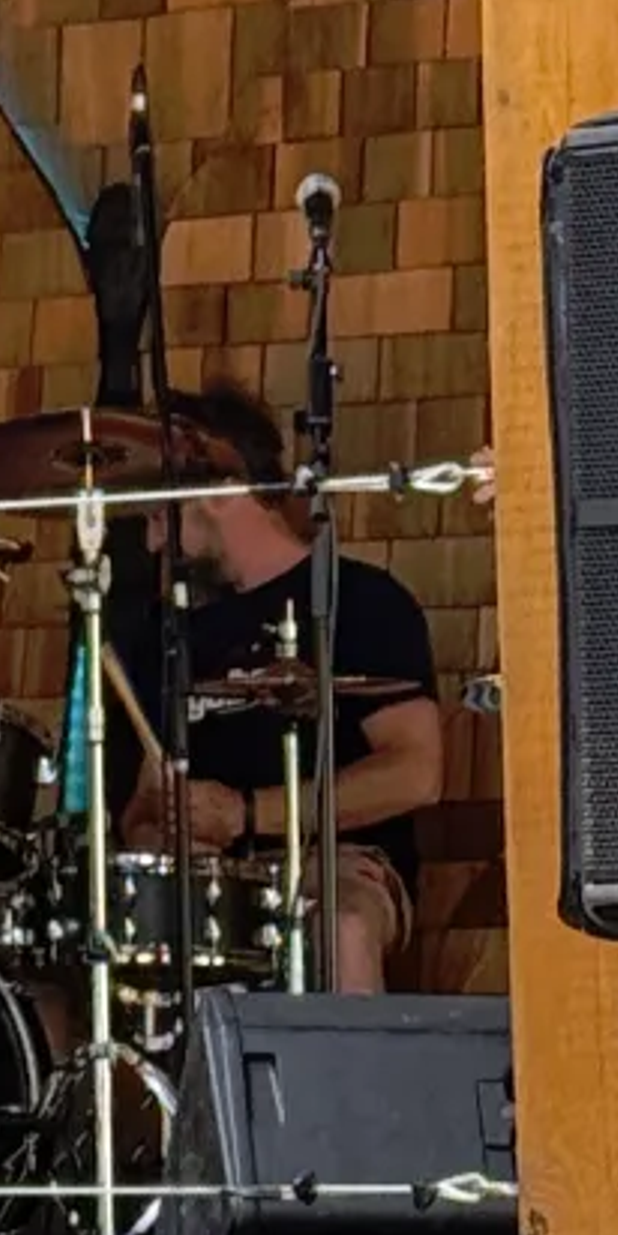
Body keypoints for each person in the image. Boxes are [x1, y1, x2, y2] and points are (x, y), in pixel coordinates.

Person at [111, 378, 444, 993]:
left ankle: (346, 1091)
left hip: (335, 864)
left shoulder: (359, 601)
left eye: (160, 512)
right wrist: (153, 828)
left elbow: (416, 773)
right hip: (198, 878)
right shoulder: (159, 635)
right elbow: (140, 804)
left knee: (340, 926)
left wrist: (245, 813)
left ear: (219, 488)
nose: (154, 540)